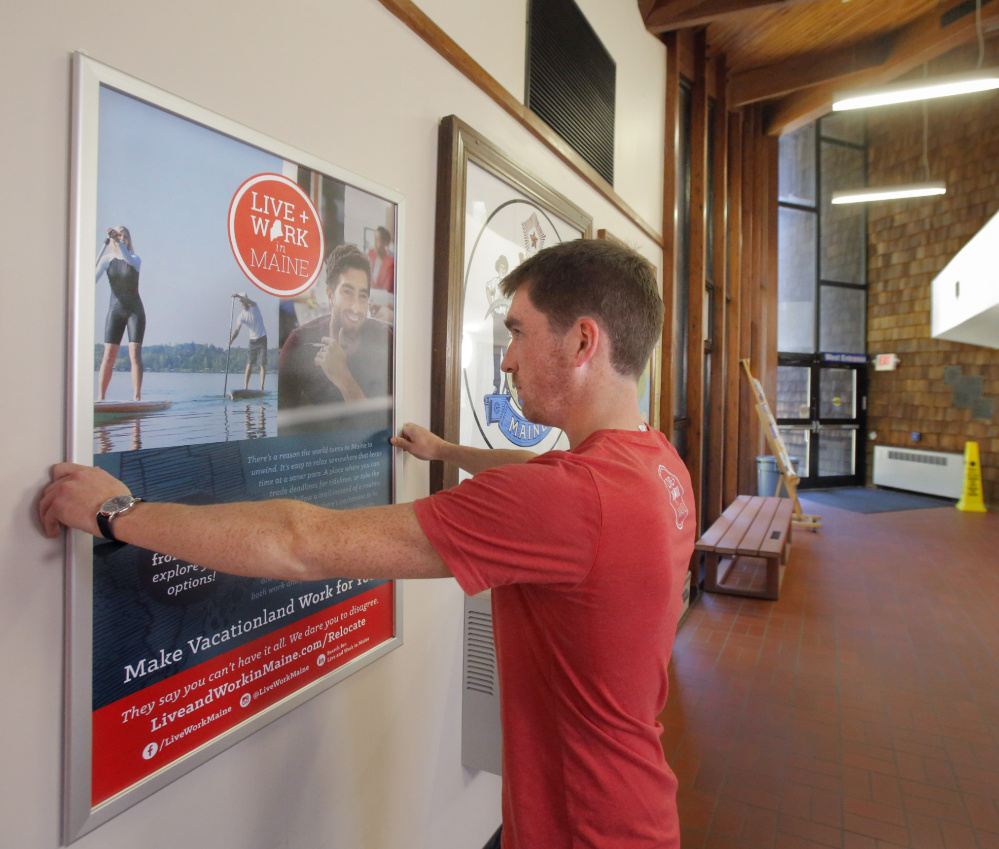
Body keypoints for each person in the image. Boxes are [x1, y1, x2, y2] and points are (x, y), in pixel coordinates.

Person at [41, 239, 695, 849]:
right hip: (625, 807)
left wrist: (116, 511)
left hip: (581, 829)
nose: (507, 359)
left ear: (582, 341)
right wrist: (445, 451)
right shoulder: (655, 463)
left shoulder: (569, 500)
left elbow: (300, 544)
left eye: (518, 332)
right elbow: (535, 473)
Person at [277, 243, 392, 432]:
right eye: (347, 292)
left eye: (362, 296)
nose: (356, 307)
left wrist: (342, 376)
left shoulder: (383, 339)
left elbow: (383, 431)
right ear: (330, 294)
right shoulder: (299, 343)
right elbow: (279, 426)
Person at [96, 226, 144, 401]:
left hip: (134, 312)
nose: (122, 238)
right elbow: (91, 281)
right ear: (111, 240)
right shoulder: (106, 260)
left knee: (134, 354)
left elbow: (127, 259)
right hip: (115, 310)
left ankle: (136, 397)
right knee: (108, 355)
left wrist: (117, 241)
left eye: (125, 236)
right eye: (119, 236)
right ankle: (101, 398)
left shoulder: (135, 259)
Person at [229, 292, 268, 391]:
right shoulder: (241, 316)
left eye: (244, 300)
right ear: (240, 303)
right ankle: (245, 387)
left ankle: (261, 387)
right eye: (241, 301)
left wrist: (238, 295)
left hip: (262, 338)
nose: (243, 302)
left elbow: (248, 300)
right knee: (249, 364)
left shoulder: (254, 306)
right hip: (252, 340)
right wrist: (231, 339)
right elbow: (237, 329)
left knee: (262, 364)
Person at [367, 225, 395, 292]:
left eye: (377, 240)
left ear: (385, 243)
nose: (375, 243)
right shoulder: (370, 255)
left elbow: (387, 289)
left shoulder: (391, 263)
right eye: (374, 239)